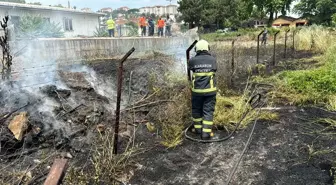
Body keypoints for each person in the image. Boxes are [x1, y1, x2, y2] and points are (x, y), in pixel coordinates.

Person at [188, 40, 217, 140]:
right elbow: (214, 69)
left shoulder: (192, 60)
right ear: (207, 48)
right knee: (208, 111)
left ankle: (198, 130)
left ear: (196, 49)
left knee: (196, 110)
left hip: (196, 92)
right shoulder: (212, 60)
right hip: (210, 91)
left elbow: (190, 69)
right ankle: (206, 134)